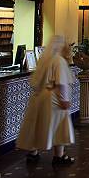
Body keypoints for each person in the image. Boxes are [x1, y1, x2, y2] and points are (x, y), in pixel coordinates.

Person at [16, 36, 76, 166]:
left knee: (37, 125)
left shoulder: (44, 60)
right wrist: (64, 99)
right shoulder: (59, 61)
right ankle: (59, 156)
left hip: (40, 97)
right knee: (60, 126)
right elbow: (61, 83)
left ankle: (33, 153)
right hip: (54, 98)